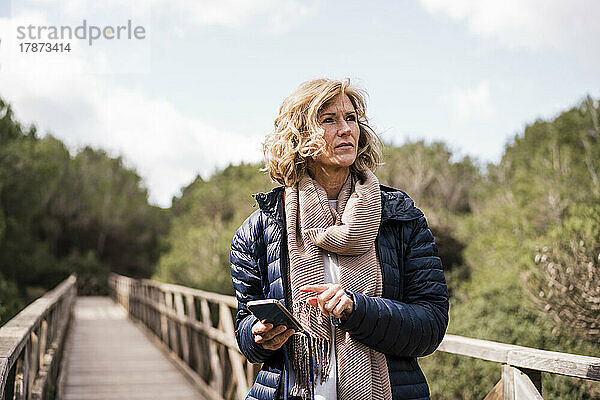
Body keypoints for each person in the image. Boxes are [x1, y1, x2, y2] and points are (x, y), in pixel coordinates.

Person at [230, 78, 448, 400]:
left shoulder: (401, 217)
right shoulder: (259, 228)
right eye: (329, 120)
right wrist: (260, 335)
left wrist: (357, 309)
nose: (346, 129)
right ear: (298, 136)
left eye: (351, 118)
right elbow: (245, 329)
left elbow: (430, 326)